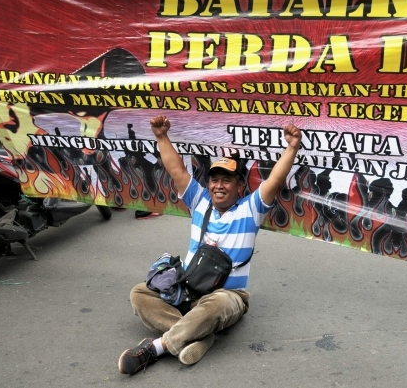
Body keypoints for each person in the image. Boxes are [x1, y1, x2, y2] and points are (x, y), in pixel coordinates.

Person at [118, 115, 302, 375]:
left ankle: (158, 347)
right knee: (140, 293)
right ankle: (197, 335)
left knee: (217, 305)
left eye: (226, 180)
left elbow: (274, 180)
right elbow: (177, 171)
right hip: (187, 291)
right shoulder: (199, 202)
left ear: (239, 187)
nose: (218, 185)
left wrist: (292, 147)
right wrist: (161, 137)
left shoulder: (251, 209)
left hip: (226, 296)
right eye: (214, 179)